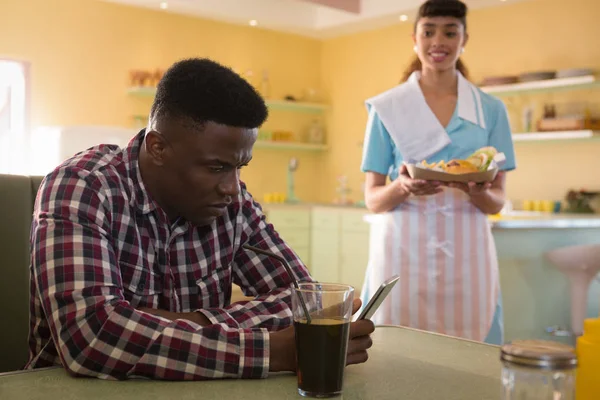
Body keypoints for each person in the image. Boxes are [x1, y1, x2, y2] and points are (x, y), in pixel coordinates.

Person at [27, 58, 374, 380]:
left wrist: (161, 323)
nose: (233, 189)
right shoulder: (82, 187)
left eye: (239, 167)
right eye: (216, 167)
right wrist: (271, 351)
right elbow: (92, 338)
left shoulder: (230, 203)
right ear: (158, 148)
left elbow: (302, 300)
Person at [359, 0, 516, 345]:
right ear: (414, 39)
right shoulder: (388, 108)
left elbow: (497, 200)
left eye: (450, 31)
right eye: (428, 31)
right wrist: (402, 187)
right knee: (398, 344)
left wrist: (478, 191)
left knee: (470, 344)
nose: (438, 41)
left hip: (468, 243)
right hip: (403, 242)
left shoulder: (491, 110)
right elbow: (372, 198)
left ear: (465, 38)